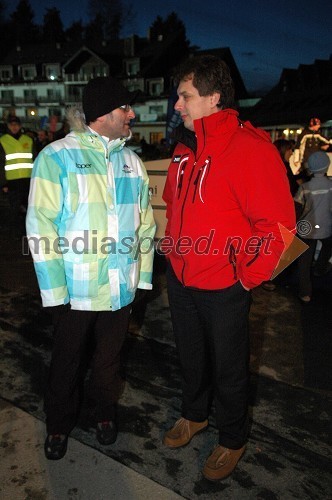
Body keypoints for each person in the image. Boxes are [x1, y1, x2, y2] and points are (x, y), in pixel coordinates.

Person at [161, 55, 295, 481]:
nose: (177, 105)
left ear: (214, 96)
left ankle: (233, 437)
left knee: (230, 367)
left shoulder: (251, 149)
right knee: (192, 358)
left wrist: (246, 277)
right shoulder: (183, 147)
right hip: (181, 276)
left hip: (224, 284)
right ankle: (194, 414)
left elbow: (279, 229)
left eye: (185, 96)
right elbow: (172, 204)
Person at [26, 76, 156, 460]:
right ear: (102, 114)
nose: (132, 113)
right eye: (124, 108)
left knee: (108, 362)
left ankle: (104, 413)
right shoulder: (56, 157)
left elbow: (145, 224)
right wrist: (54, 292)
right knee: (67, 363)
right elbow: (40, 226)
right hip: (74, 292)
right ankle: (58, 424)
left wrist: (141, 277)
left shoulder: (132, 162)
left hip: (119, 290)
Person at [294, 151, 332, 303]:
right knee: (328, 245)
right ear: (327, 166)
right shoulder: (330, 186)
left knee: (304, 261)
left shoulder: (305, 187)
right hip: (325, 227)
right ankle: (320, 268)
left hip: (306, 228)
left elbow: (297, 207)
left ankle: (305, 293)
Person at [0, 115, 36, 237]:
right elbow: (1, 163)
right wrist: (3, 183)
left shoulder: (28, 140)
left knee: (29, 208)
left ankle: (28, 231)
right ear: (8, 126)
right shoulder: (3, 141)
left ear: (20, 126)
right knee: (13, 209)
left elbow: (35, 159)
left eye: (16, 124)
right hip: (12, 181)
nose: (14, 127)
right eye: (11, 124)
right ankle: (15, 233)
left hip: (28, 179)